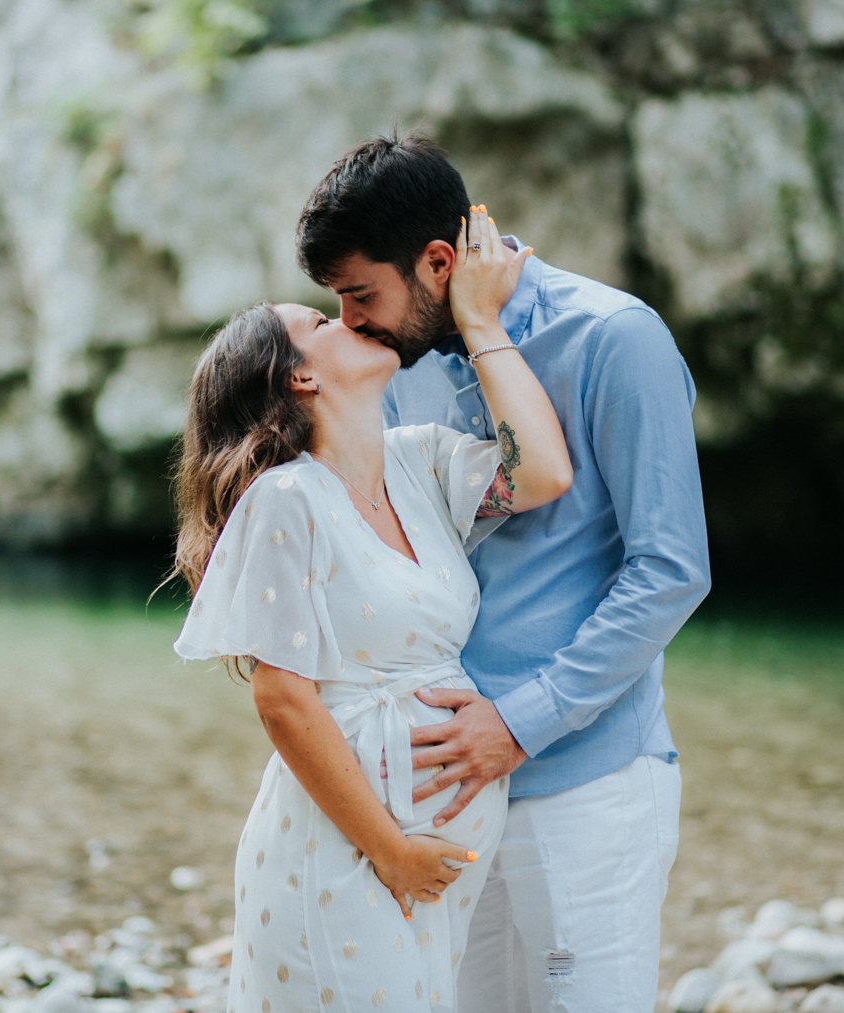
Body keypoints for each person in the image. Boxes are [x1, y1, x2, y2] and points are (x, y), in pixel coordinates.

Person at [295, 134, 712, 1011]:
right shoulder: (390, 369)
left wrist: (518, 724)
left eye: (361, 294)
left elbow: (671, 571)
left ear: (438, 261)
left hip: (587, 786)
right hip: (444, 795)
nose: (349, 324)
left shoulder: (613, 339)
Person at [171, 207, 574, 1013]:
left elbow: (543, 474)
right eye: (321, 320)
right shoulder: (286, 500)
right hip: (345, 856)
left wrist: (478, 320)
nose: (352, 316)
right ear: (301, 377)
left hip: (430, 864)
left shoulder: (418, 459)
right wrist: (388, 848)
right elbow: (283, 697)